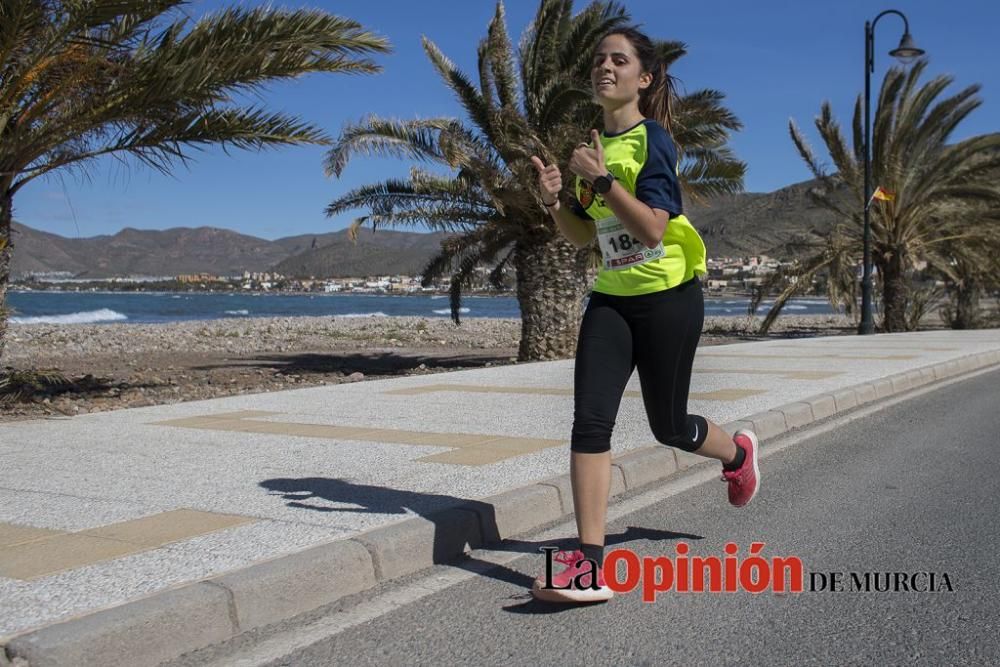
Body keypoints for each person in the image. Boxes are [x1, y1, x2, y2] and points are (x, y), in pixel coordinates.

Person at [528, 26, 759, 604]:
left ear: (643, 77)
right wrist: (557, 200)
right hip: (610, 299)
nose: (606, 66)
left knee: (669, 427)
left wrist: (602, 180)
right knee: (590, 422)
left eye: (620, 59)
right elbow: (584, 237)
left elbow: (652, 227)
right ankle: (588, 565)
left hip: (668, 298)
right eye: (600, 59)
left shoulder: (652, 140)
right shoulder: (589, 148)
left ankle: (737, 454)